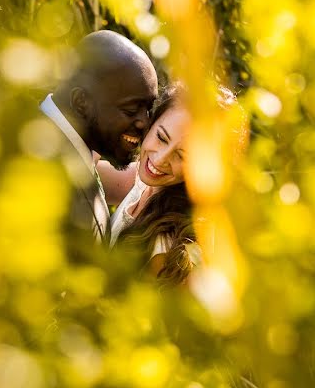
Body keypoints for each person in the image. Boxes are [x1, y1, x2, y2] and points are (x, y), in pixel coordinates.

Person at [100, 81, 241, 283]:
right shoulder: (148, 184)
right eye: (161, 137)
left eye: (182, 156)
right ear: (152, 123)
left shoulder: (169, 247)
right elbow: (81, 169)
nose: (159, 159)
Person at [39, 30, 158, 242]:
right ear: (81, 102)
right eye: (131, 110)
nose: (144, 123)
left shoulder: (65, 144)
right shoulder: (46, 176)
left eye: (148, 109)